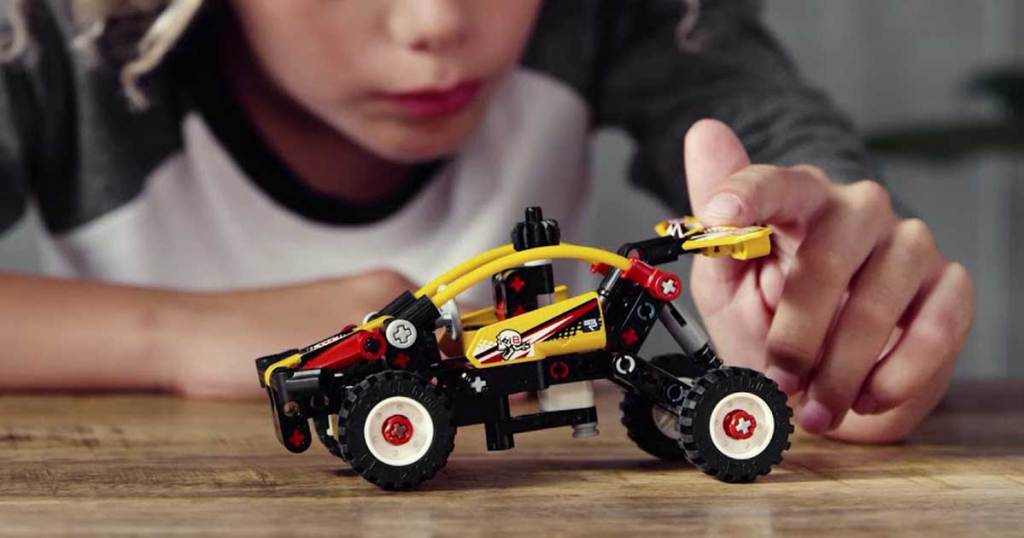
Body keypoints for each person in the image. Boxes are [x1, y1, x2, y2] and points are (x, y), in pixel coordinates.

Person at [0, 0, 973, 444]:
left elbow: (790, 154)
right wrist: (177, 333)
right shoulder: (55, 38)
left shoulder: (616, 16)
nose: (433, 23)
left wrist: (841, 291)